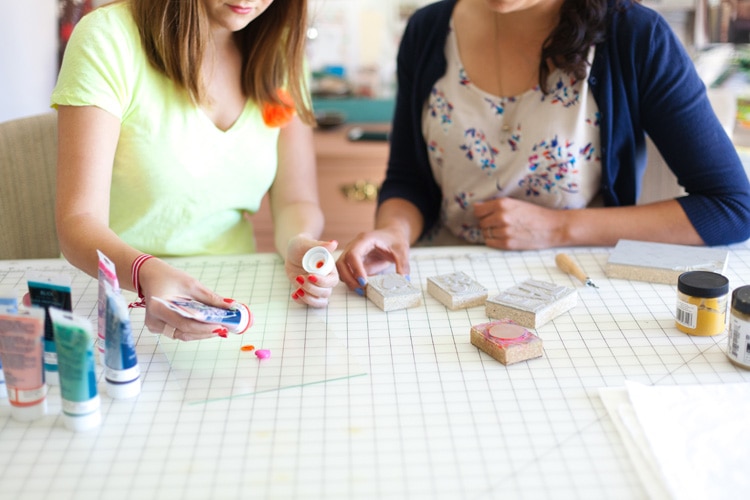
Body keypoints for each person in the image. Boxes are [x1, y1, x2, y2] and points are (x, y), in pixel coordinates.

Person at [336, 0, 750, 295]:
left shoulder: (635, 35)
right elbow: (408, 181)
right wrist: (393, 231)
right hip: (442, 284)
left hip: (574, 283)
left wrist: (557, 228)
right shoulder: (427, 31)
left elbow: (732, 207)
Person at [51, 0, 339, 341]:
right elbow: (78, 221)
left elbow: (295, 200)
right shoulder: (106, 38)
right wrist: (144, 272)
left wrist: (300, 242)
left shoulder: (279, 49)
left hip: (231, 297)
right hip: (115, 296)